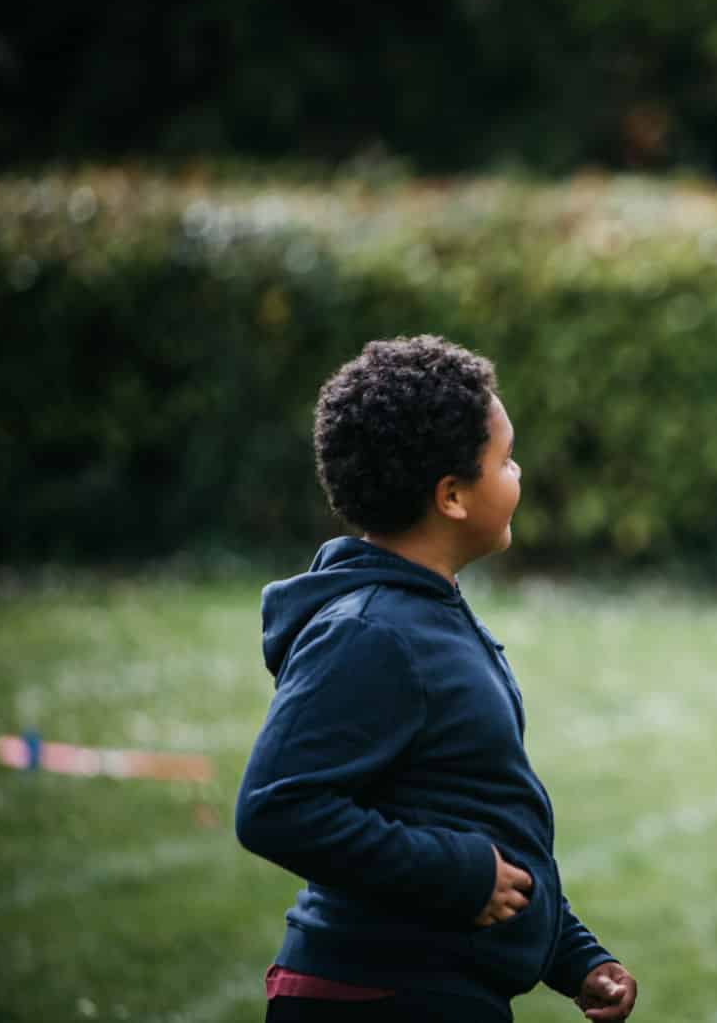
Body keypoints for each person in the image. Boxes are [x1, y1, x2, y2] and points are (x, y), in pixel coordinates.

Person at [235, 335, 638, 1023]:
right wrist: (458, 873)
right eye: (504, 459)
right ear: (451, 495)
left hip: (446, 987)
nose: (520, 472)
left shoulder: (429, 614)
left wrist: (575, 955)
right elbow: (275, 805)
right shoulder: (370, 633)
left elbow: (477, 810)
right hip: (376, 995)